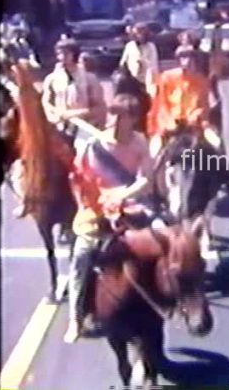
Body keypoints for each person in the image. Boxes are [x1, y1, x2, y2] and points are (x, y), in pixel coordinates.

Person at [63, 93, 156, 343]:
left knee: (165, 238)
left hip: (131, 208)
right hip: (95, 213)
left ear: (133, 119)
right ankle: (76, 317)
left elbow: (146, 180)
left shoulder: (139, 142)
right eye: (112, 114)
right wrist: (88, 203)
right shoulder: (91, 146)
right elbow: (76, 179)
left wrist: (123, 196)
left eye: (120, 117)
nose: (113, 121)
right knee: (80, 260)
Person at [147, 45, 217, 156]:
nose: (187, 61)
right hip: (170, 123)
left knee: (216, 143)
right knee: (154, 150)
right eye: (183, 58)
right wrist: (169, 123)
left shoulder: (202, 80)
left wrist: (196, 116)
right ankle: (150, 170)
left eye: (190, 58)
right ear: (178, 60)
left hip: (194, 123)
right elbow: (161, 103)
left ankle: (219, 169)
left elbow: (204, 105)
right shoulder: (167, 77)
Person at [119, 22, 160, 97]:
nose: (138, 36)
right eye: (136, 34)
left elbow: (153, 65)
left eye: (140, 34)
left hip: (146, 79)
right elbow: (123, 62)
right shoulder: (130, 46)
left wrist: (142, 62)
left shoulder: (151, 46)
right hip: (132, 79)